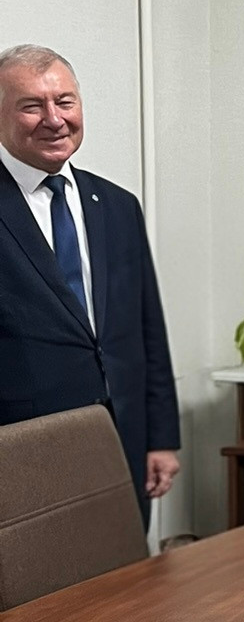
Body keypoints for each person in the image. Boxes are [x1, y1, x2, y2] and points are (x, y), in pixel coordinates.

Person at [0, 44, 179, 526]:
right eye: (31, 106)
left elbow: (147, 329)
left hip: (124, 440)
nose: (54, 119)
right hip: (23, 448)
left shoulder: (117, 205)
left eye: (65, 102)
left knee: (126, 568)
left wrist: (161, 437)